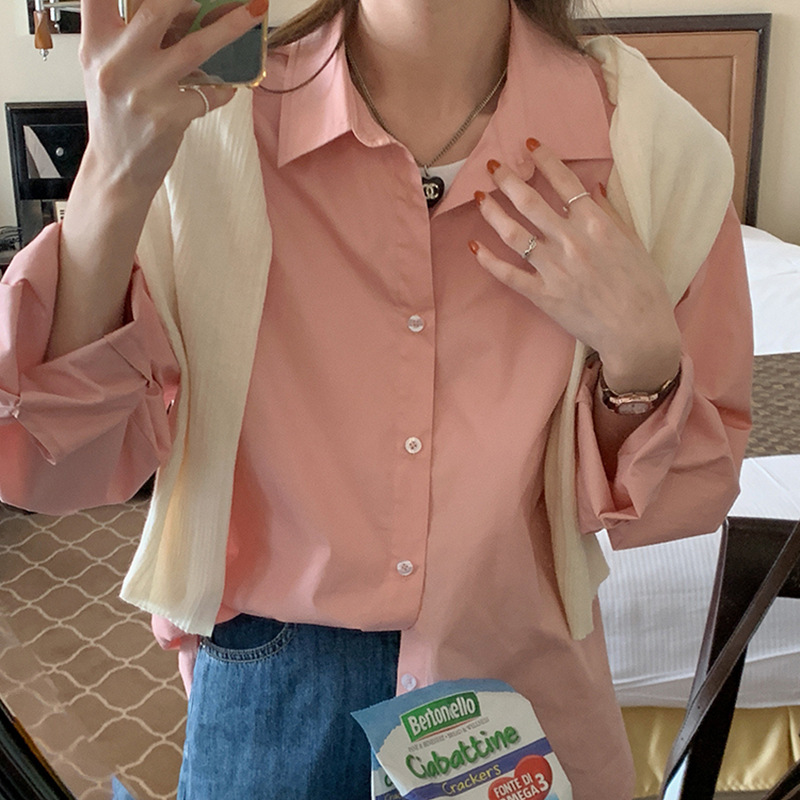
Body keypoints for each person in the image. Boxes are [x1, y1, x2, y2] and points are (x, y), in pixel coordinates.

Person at [0, 0, 752, 797]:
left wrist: (642, 359)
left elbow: (686, 496)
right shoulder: (201, 123)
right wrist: (113, 173)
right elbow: (55, 469)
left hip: (524, 693)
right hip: (271, 701)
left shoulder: (656, 152)